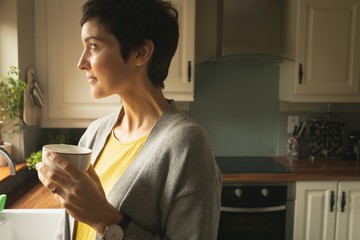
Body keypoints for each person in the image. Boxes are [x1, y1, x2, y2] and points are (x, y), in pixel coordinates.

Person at [36, 0, 222, 239]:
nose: (81, 62)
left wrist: (106, 220)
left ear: (140, 52)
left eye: (93, 46)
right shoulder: (95, 132)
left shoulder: (186, 144)